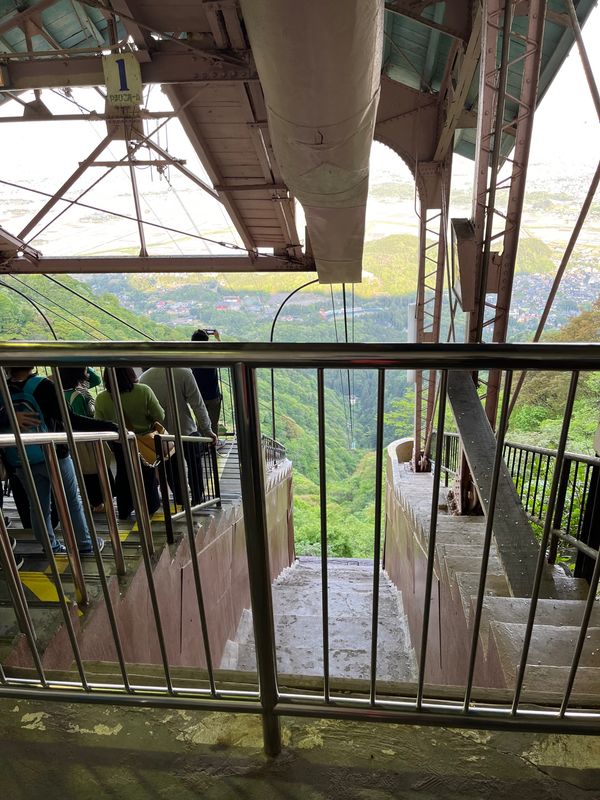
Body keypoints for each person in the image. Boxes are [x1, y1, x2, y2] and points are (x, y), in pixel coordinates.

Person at [0, 366, 113, 556]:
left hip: (21, 458)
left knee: (37, 505)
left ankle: (50, 546)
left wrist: (8, 417)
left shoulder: (3, 389)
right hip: (53, 454)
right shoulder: (44, 386)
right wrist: (110, 427)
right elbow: (71, 421)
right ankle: (84, 544)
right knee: (71, 500)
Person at [139, 367, 216, 505]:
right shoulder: (184, 372)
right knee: (194, 464)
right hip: (186, 430)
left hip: (162, 435)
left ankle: (180, 499)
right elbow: (197, 404)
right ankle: (197, 498)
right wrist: (207, 430)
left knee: (170, 468)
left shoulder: (144, 378)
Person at [94, 367, 164, 521]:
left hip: (120, 443)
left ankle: (125, 510)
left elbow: (98, 422)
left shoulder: (102, 398)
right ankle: (150, 508)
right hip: (144, 441)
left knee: (124, 475)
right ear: (130, 373)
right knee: (148, 475)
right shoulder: (143, 391)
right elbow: (160, 415)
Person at [59, 366, 112, 511]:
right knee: (93, 471)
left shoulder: (68, 390)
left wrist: (81, 365)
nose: (88, 373)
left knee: (87, 471)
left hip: (77, 439)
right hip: (87, 438)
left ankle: (96, 502)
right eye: (85, 370)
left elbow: (95, 379)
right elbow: (83, 420)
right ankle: (98, 503)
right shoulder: (78, 394)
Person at [191, 329, 222, 437]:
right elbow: (224, 353)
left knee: (200, 424)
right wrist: (217, 338)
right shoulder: (211, 354)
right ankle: (213, 446)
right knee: (213, 424)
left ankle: (201, 447)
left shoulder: (190, 356)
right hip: (213, 395)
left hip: (198, 396)